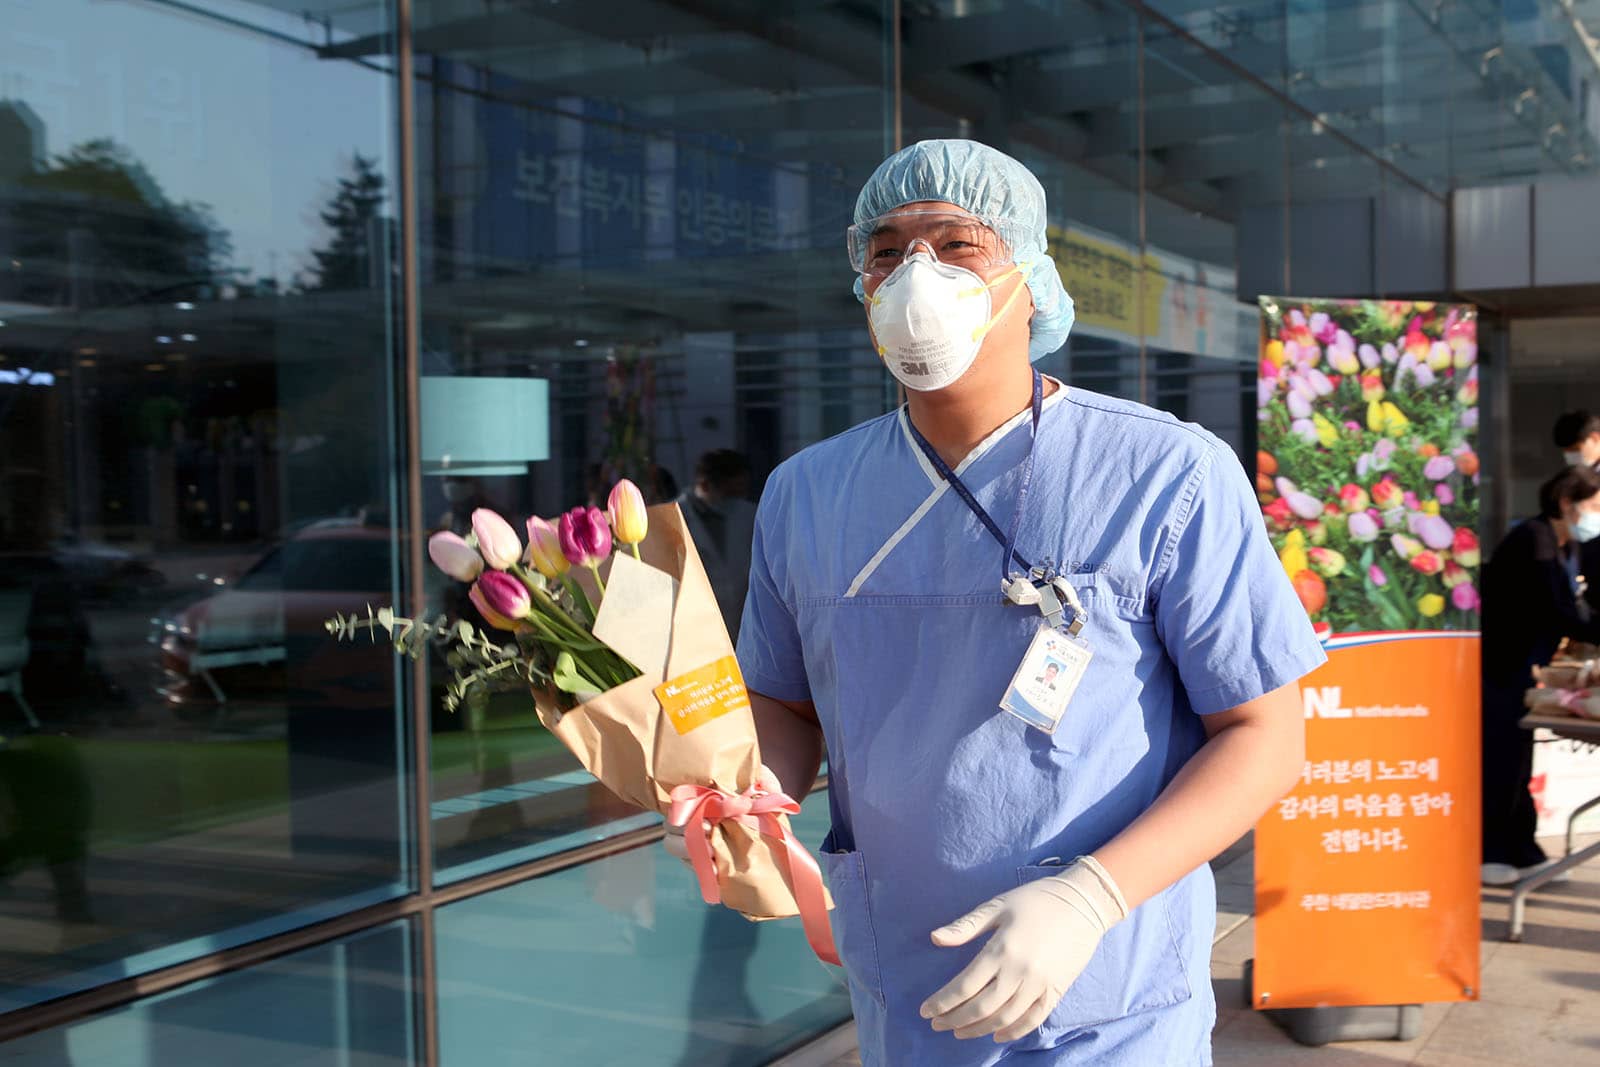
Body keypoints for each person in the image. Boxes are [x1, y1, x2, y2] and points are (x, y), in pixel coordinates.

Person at [680, 140, 1323, 1065]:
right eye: (888, 250)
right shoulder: (806, 493)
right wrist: (746, 797)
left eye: (956, 243)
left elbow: (1266, 734)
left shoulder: (1167, 473)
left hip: (1108, 995)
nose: (916, 274)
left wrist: (1090, 895)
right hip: (903, 982)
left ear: (1030, 273)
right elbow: (783, 705)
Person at [1479, 465, 1600, 886]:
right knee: (1502, 761)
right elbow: (1561, 613)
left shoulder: (1566, 546)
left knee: (1519, 761)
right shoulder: (1535, 539)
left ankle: (1523, 849)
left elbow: (1578, 609)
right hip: (1500, 669)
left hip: (1527, 672)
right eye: (1595, 506)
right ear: (1568, 502)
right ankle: (1491, 851)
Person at [678, 450, 756, 643]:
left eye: (742, 493)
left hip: (742, 632)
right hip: (694, 636)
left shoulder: (750, 516)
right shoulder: (675, 521)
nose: (739, 501)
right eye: (732, 495)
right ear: (704, 485)